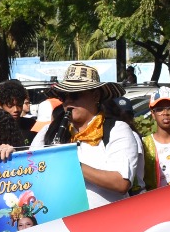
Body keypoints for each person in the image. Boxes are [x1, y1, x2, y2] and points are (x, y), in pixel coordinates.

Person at [40, 63, 141, 208]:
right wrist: (10, 155)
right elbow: (30, 168)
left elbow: (121, 182)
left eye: (75, 95)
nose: (68, 101)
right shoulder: (49, 131)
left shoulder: (117, 129)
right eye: (63, 96)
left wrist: (71, 163)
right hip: (61, 218)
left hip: (104, 218)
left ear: (95, 96)